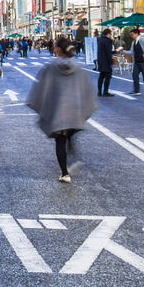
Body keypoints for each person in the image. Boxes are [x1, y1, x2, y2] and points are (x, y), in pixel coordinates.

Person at [27, 35, 98, 184]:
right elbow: (86, 89)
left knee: (60, 140)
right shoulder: (77, 68)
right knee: (70, 133)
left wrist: (40, 104)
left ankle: (65, 173)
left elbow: (41, 89)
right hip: (75, 110)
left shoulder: (50, 68)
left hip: (59, 110)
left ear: (58, 50)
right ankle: (71, 146)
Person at [96, 28, 115, 97]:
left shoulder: (100, 41)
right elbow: (108, 52)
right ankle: (105, 91)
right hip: (106, 62)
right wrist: (111, 62)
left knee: (101, 76)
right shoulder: (107, 41)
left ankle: (99, 91)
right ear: (109, 34)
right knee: (108, 77)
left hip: (101, 61)